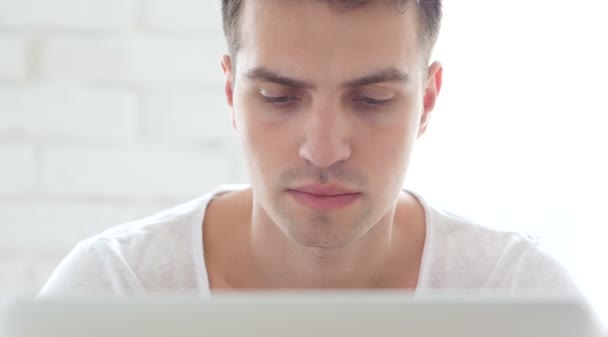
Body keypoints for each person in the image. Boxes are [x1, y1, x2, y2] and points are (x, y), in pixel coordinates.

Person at [36, 0, 592, 310]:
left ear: (426, 101)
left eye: (372, 100)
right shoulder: (110, 295)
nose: (323, 149)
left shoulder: (525, 303)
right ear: (232, 94)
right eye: (279, 97)